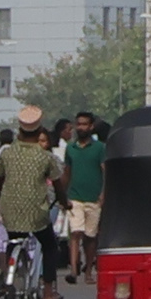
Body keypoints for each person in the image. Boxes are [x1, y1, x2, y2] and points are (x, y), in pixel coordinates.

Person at [0, 108, 63, 299]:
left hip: (10, 210)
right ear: (39, 131)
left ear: (19, 130)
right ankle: (48, 292)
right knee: (50, 246)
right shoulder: (45, 157)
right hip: (36, 213)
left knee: (13, 239)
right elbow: (58, 186)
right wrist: (65, 203)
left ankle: (8, 277)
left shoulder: (7, 154)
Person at [58, 113, 108, 284]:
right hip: (75, 197)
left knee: (90, 236)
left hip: (93, 198)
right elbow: (67, 173)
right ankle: (73, 270)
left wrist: (103, 193)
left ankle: (88, 271)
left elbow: (105, 172)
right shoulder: (71, 148)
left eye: (85, 124)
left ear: (91, 127)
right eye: (78, 124)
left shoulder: (100, 148)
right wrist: (62, 195)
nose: (81, 127)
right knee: (75, 232)